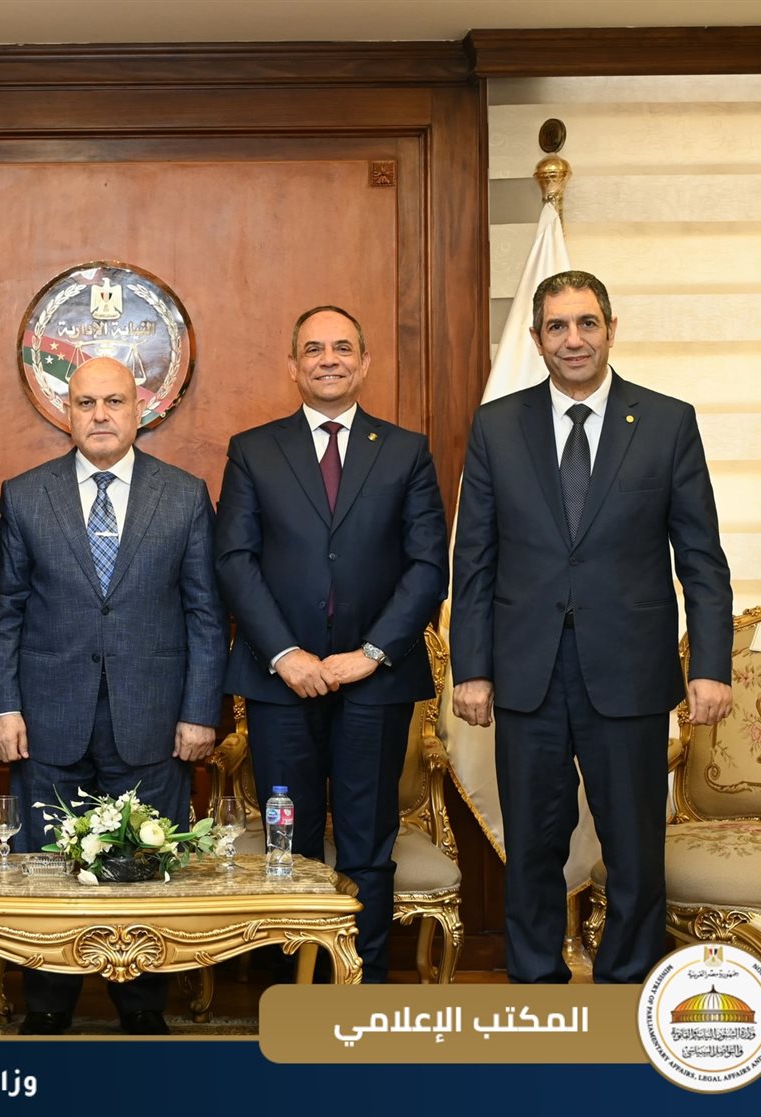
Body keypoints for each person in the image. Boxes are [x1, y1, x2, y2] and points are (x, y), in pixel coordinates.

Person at [450, 270, 732, 984]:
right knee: (532, 849)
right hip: (527, 673)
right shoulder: (497, 425)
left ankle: (628, 989)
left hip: (630, 671)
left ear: (610, 329)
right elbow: (474, 558)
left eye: (586, 323)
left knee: (634, 850)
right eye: (556, 326)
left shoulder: (666, 422)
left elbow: (701, 558)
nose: (572, 339)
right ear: (537, 338)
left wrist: (710, 665)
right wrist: (472, 667)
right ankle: (537, 991)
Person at [0, 356, 225, 1034]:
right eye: (86, 402)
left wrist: (199, 711)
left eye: (114, 401)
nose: (99, 415)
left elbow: (206, 613)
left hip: (153, 717)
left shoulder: (183, 495)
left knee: (147, 866)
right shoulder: (25, 495)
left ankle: (143, 1009)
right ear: (66, 412)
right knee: (45, 869)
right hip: (46, 719)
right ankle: (47, 1007)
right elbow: (5, 611)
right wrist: (3, 705)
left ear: (138, 409)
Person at [215, 305, 447, 984]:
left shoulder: (405, 450)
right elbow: (234, 560)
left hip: (376, 680)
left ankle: (361, 988)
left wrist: (370, 653)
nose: (328, 359)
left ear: (364, 362)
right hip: (279, 680)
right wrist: (285, 654)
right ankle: (296, 988)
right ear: (293, 365)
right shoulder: (253, 449)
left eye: (343, 347)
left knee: (367, 842)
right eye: (313, 349)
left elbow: (428, 566)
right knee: (288, 841)